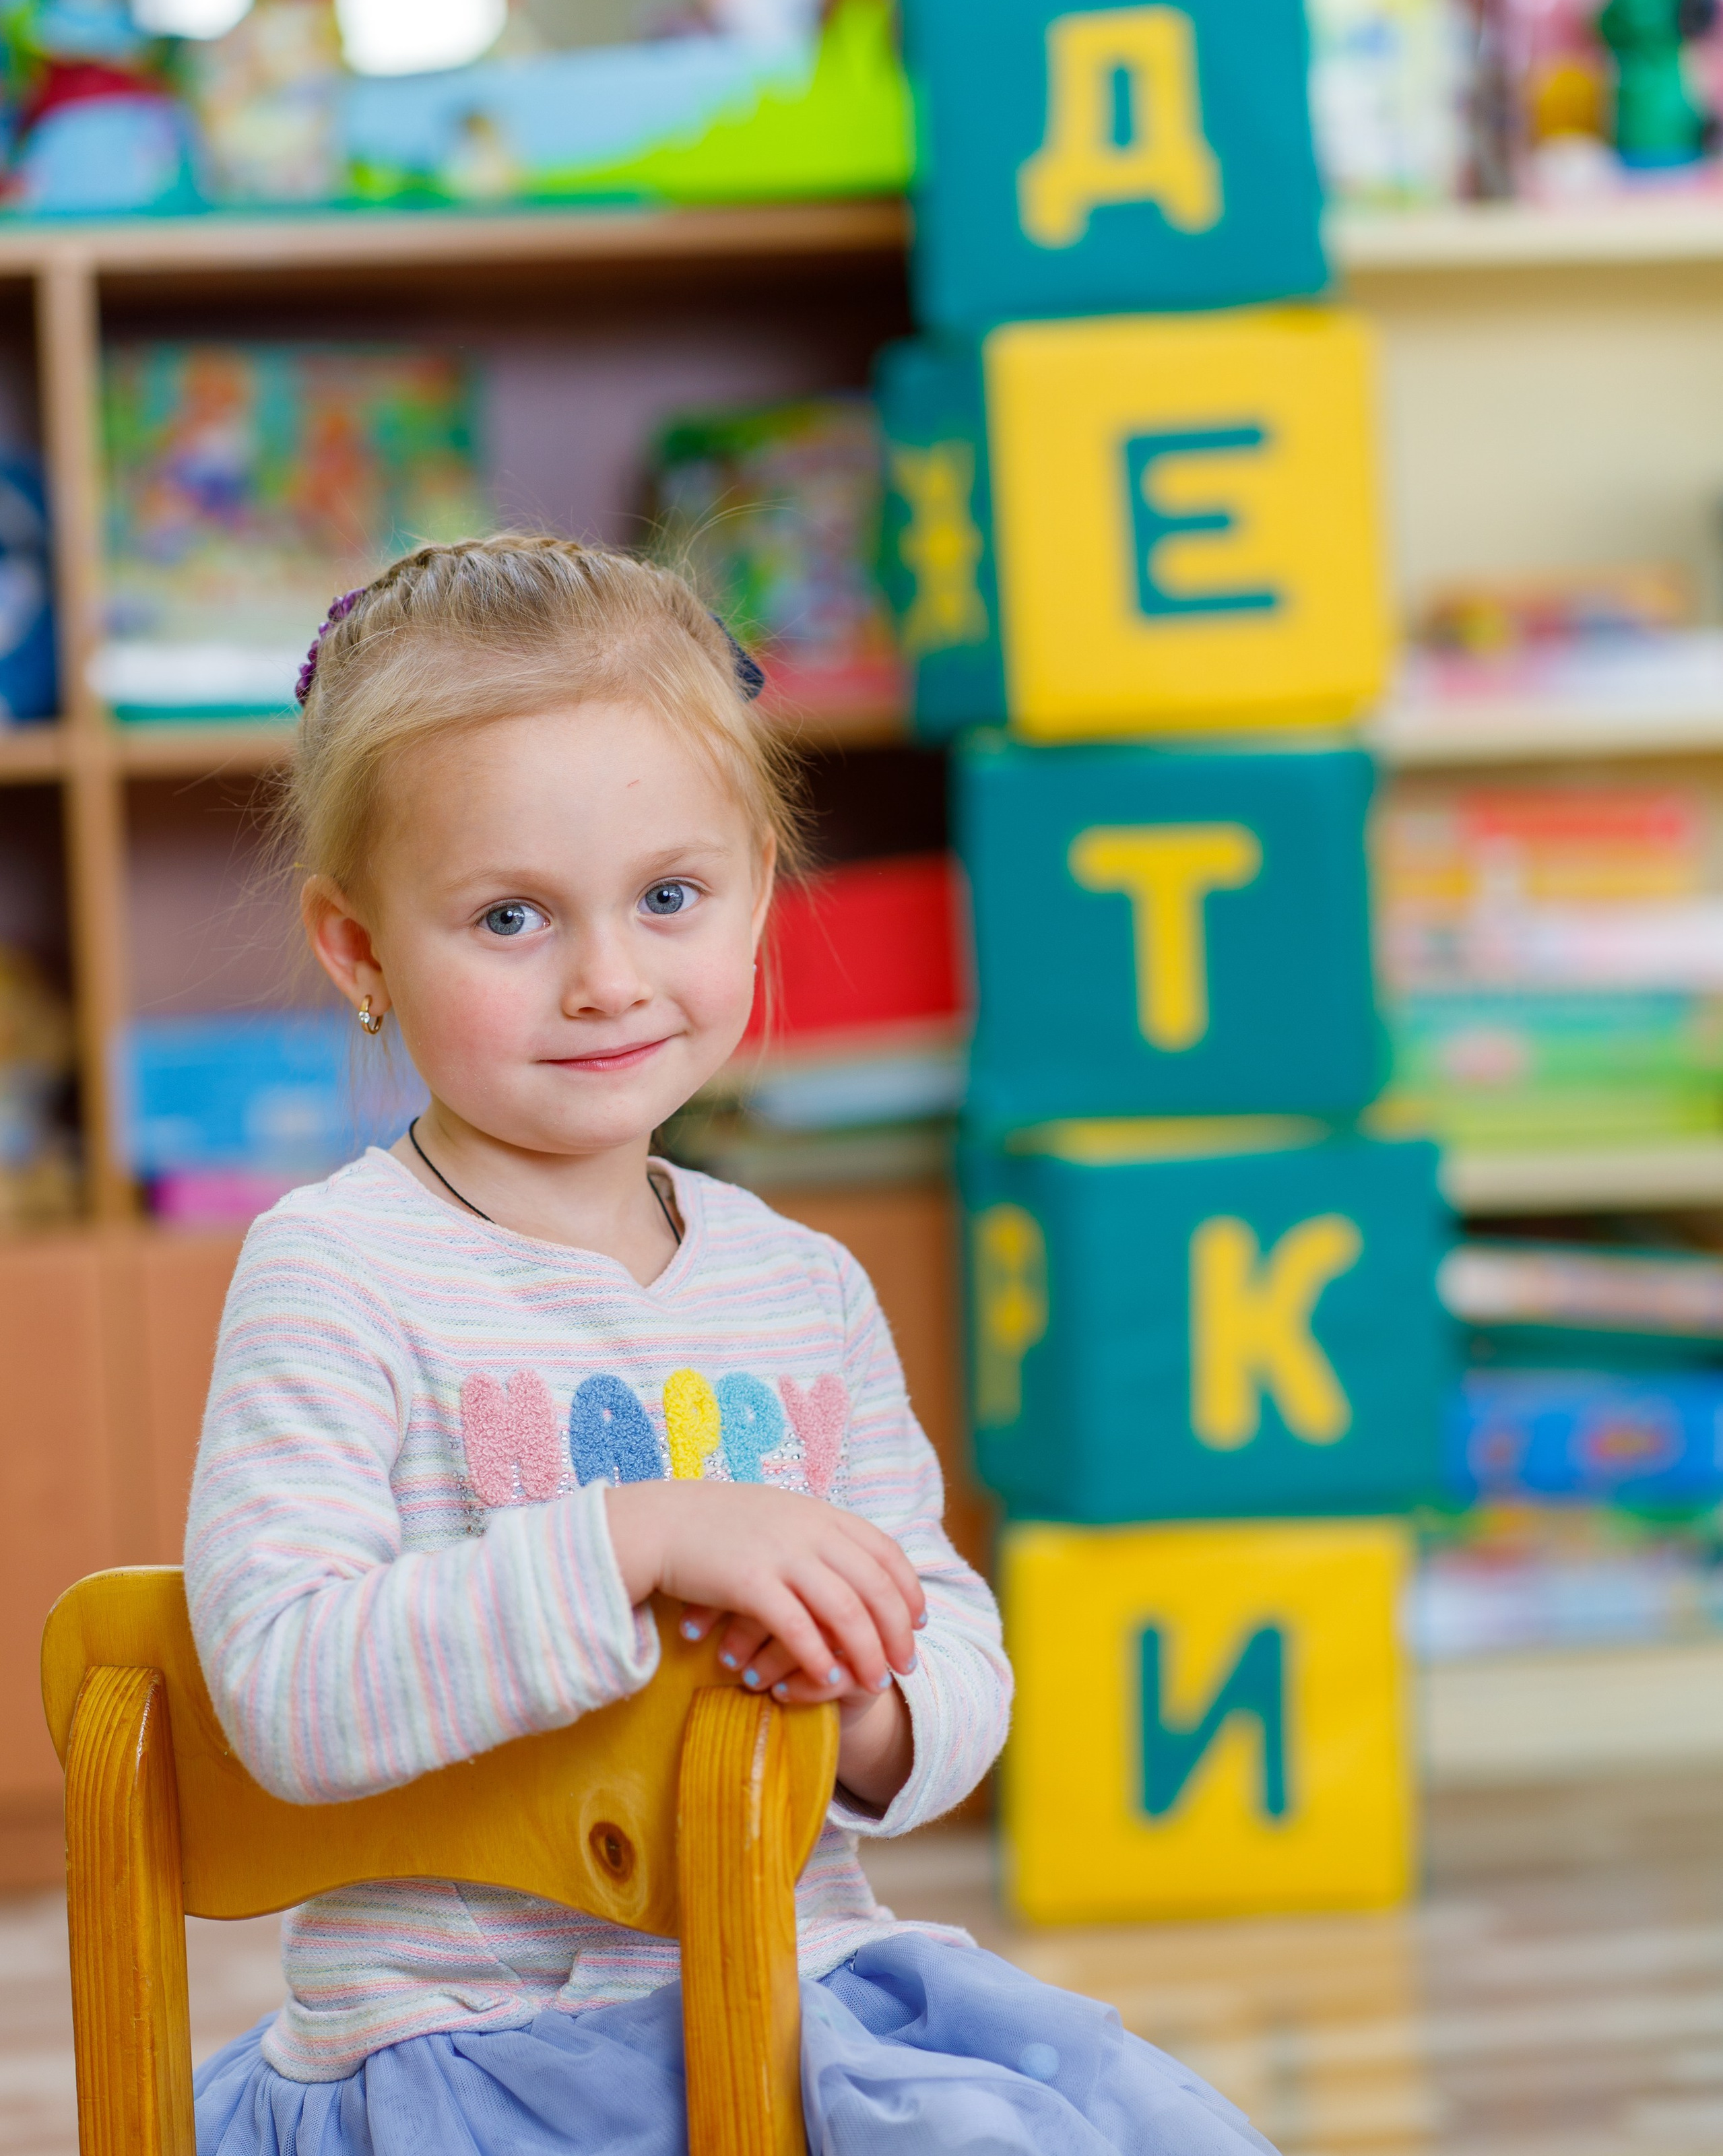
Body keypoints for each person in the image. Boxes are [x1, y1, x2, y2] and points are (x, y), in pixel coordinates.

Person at [188, 535, 1278, 2156]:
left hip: (791, 1985)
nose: (608, 978)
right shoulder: (338, 1269)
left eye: (669, 897)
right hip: (473, 2045)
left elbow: (954, 1648)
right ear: (359, 950)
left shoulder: (800, 1284)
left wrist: (866, 1703)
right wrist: (638, 1535)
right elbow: (284, 1688)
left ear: (756, 888)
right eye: (509, 916)